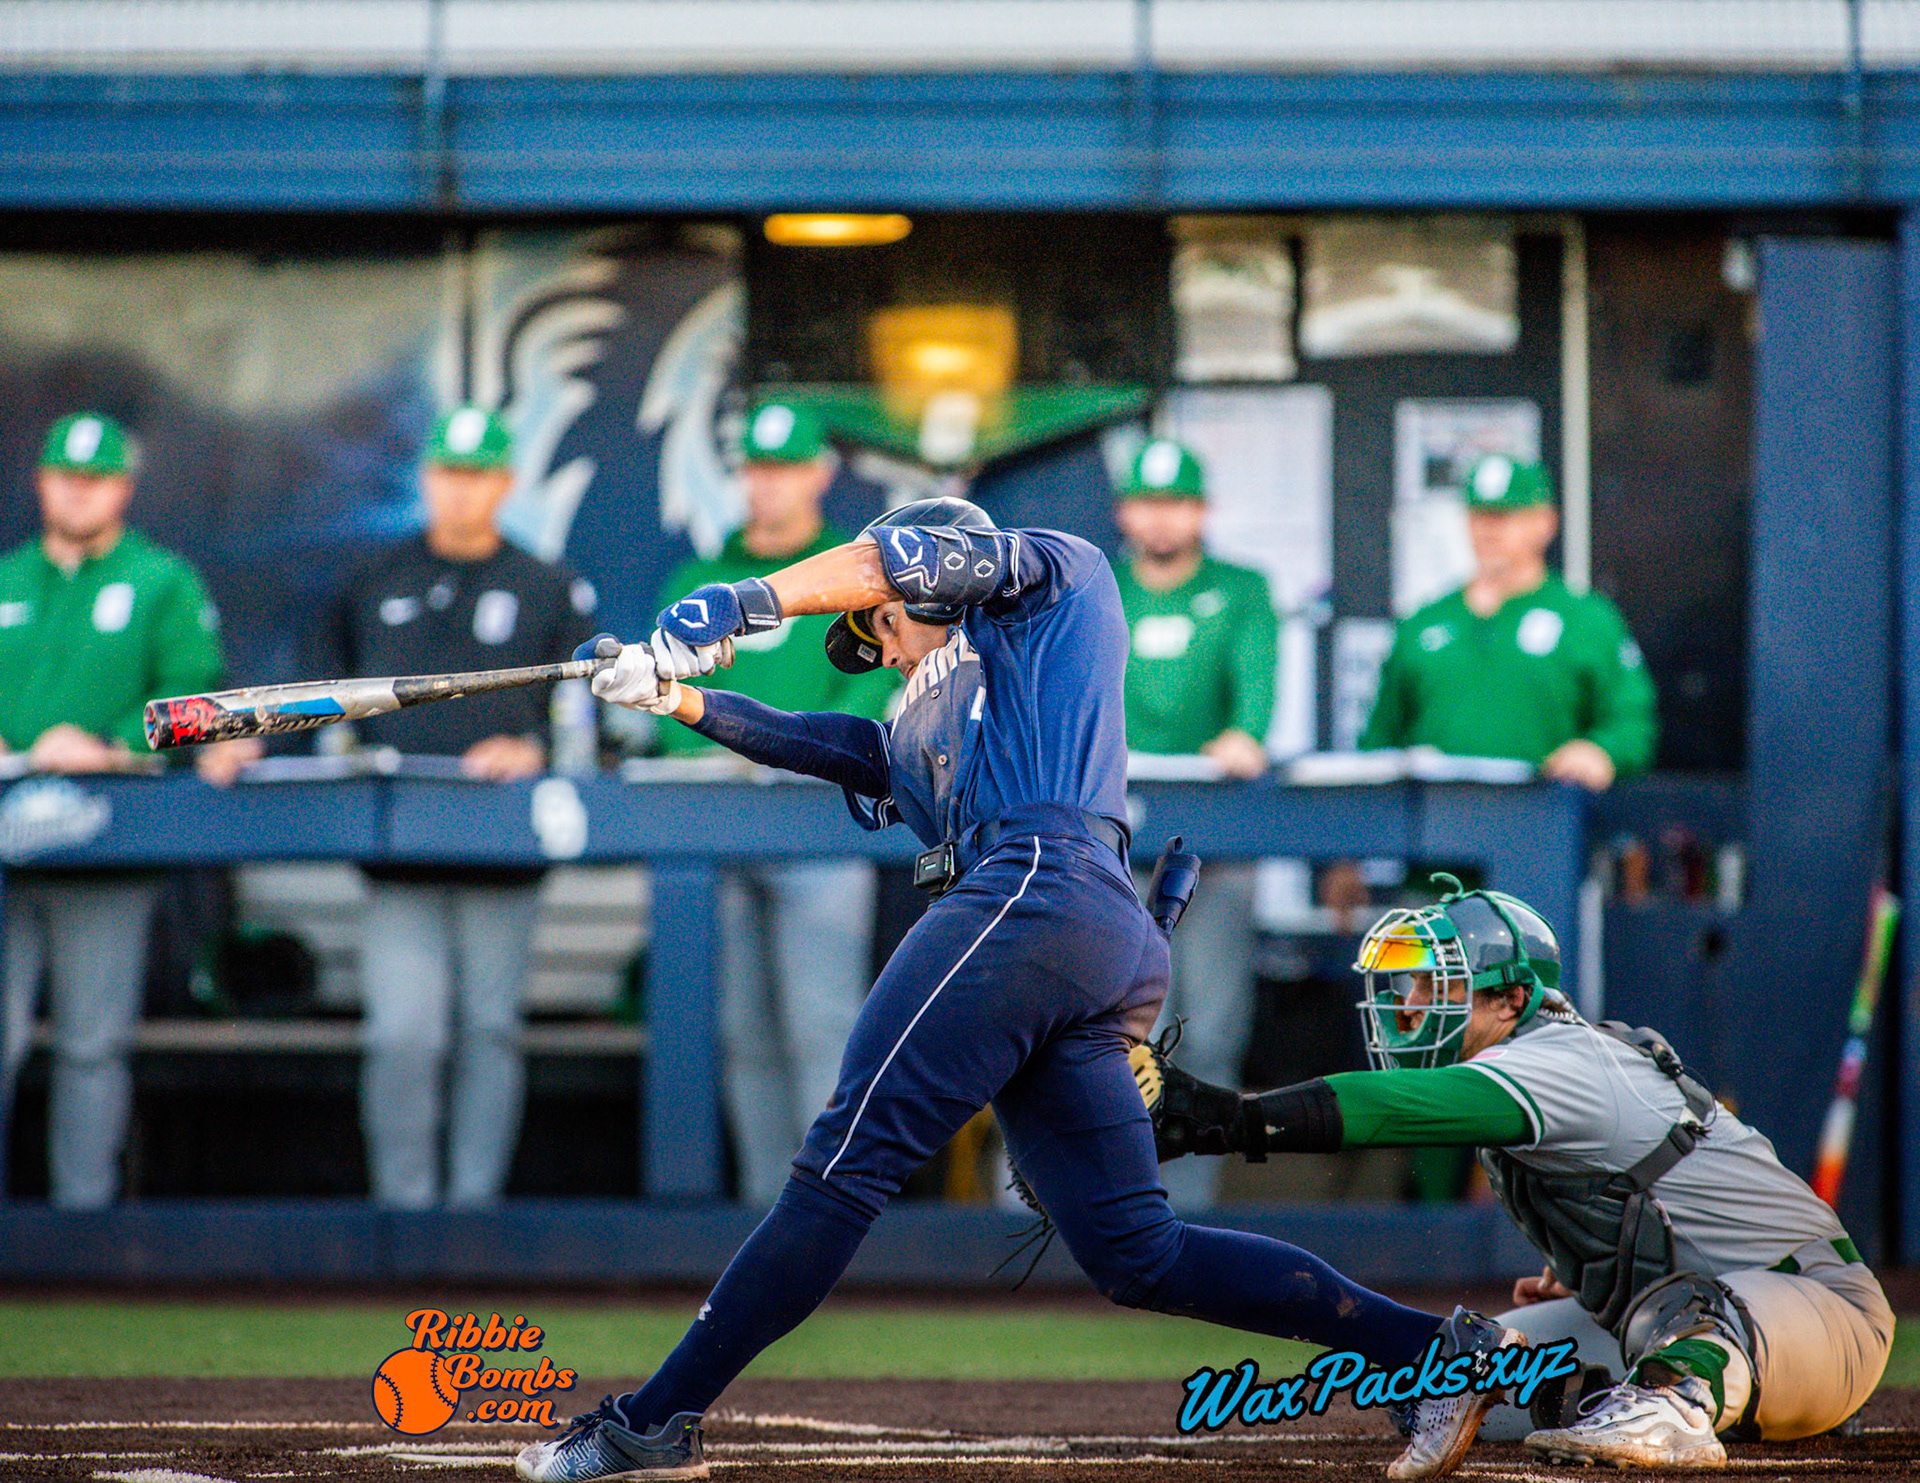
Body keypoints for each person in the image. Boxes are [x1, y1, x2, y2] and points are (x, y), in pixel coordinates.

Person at [521, 496, 1531, 1483]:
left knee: (841, 1168)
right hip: (1075, 933)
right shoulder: (927, 715)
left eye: (883, 622)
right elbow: (837, 745)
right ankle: (1438, 1354)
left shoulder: (1052, 576)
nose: (884, 643)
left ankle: (653, 1419)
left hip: (1036, 892)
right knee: (1141, 1254)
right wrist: (676, 697)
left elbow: (902, 566)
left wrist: (739, 604)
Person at [1139, 875, 1894, 1469]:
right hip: (1673, 1315)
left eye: (1437, 983)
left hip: (1818, 1307)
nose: (1408, 1004)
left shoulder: (1560, 1057)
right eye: (1408, 984)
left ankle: (1695, 1398)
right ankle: (1745, 1400)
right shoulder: (1529, 1067)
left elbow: (1387, 1106)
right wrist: (1594, 1275)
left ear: (1511, 997)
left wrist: (1223, 1116)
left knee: (1698, 1327)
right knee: (1437, 1381)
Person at [318, 405, 596, 1209]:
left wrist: (537, 747)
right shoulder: (374, 579)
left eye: (477, 474)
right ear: (427, 477)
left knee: (489, 1032)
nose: (461, 490)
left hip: (503, 850)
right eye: (448, 472)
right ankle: (404, 1218)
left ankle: (471, 1219)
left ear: (505, 482)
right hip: (397, 849)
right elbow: (323, 708)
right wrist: (354, 759)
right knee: (403, 1035)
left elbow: (585, 720)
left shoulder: (548, 584)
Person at [0, 411, 255, 1207]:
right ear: (42, 480)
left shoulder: (160, 578)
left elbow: (195, 697)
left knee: (91, 1043)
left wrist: (109, 743)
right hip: (4, 830)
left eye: (95, 479)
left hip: (108, 827)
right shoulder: (8, 577)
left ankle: (83, 1225)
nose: (78, 493)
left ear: (123, 488)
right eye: (65, 477)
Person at [653, 401, 894, 1205]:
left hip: (818, 825)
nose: (770, 484)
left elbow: (859, 705)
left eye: (787, 466)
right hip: (712, 828)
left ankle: (829, 1206)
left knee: (822, 1027)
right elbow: (667, 712)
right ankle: (767, 1206)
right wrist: (710, 746)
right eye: (758, 467)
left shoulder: (848, 581)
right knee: (739, 1031)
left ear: (820, 473)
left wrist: (762, 750)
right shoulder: (701, 581)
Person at [1113, 437, 1276, 1208]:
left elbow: (1253, 707)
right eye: (1148, 500)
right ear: (1124, 511)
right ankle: (1096, 1204)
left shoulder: (1240, 588)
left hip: (1212, 837)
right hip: (1109, 837)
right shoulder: (1099, 586)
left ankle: (1190, 1213)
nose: (1162, 517)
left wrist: (1247, 731)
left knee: (1206, 1029)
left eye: (1176, 500)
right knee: (1110, 1030)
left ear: (1200, 510)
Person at [1358, 455, 1656, 789]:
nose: (1488, 530)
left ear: (1544, 522)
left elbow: (1632, 722)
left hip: (1540, 819)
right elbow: (1379, 741)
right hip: (1436, 823)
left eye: (1504, 517)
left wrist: (1601, 751)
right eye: (1479, 516)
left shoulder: (1586, 619)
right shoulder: (1423, 623)